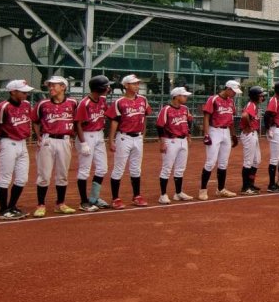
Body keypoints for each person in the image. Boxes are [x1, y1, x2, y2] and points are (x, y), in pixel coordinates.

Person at [32, 75, 78, 217]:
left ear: (63, 87)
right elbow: (35, 120)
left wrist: (73, 136)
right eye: (50, 85)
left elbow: (77, 121)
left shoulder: (72, 103)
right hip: (48, 140)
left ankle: (61, 204)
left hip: (65, 140)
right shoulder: (43, 104)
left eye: (54, 85)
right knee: (44, 175)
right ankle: (41, 205)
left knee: (62, 174)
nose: (51, 88)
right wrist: (39, 136)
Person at [0, 79, 35, 221]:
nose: (26, 94)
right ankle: (3, 210)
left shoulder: (26, 104)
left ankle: (12, 206)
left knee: (22, 178)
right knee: (5, 178)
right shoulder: (3, 107)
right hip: (8, 143)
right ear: (13, 92)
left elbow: (28, 121)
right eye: (23, 92)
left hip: (22, 144)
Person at [107, 74, 152, 209]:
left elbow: (145, 117)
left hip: (137, 137)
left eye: (138, 84)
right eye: (134, 84)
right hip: (123, 137)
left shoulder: (143, 100)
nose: (137, 86)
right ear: (126, 85)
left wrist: (143, 134)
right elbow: (114, 121)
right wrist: (111, 140)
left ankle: (137, 196)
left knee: (136, 168)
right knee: (118, 168)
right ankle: (115, 198)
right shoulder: (119, 102)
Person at [199, 80, 241, 200]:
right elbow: (206, 117)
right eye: (234, 91)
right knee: (210, 161)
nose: (235, 94)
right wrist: (206, 134)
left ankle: (221, 189)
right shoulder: (213, 99)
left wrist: (233, 135)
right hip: (214, 130)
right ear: (228, 89)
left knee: (223, 162)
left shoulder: (231, 102)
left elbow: (231, 120)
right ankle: (203, 190)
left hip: (226, 131)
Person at [75, 75, 111, 211]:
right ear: (99, 88)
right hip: (86, 135)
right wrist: (83, 143)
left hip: (99, 135)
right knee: (84, 170)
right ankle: (84, 202)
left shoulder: (102, 100)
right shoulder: (85, 103)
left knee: (102, 168)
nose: (108, 88)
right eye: (106, 86)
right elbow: (78, 124)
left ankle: (94, 198)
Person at [156, 86, 194, 204]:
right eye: (183, 95)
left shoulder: (185, 108)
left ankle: (178, 193)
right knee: (167, 168)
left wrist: (188, 135)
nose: (186, 97)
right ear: (176, 96)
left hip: (183, 140)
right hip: (170, 141)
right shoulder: (166, 109)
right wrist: (162, 142)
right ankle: (163, 195)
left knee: (180, 169)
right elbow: (160, 126)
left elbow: (189, 121)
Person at [238, 86, 265, 195]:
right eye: (261, 95)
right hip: (249, 135)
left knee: (256, 160)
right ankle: (245, 187)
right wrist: (248, 126)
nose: (262, 97)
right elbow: (244, 116)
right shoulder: (251, 105)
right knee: (248, 162)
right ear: (255, 96)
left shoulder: (254, 105)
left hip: (253, 134)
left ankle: (250, 184)